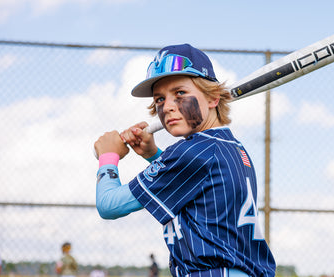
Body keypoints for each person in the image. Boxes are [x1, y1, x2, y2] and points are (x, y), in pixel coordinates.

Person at [94, 43, 276, 277]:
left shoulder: (192, 151)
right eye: (160, 99)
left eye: (180, 93)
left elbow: (109, 205)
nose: (167, 106)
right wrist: (153, 156)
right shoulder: (228, 147)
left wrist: (109, 156)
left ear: (213, 99)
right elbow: (190, 185)